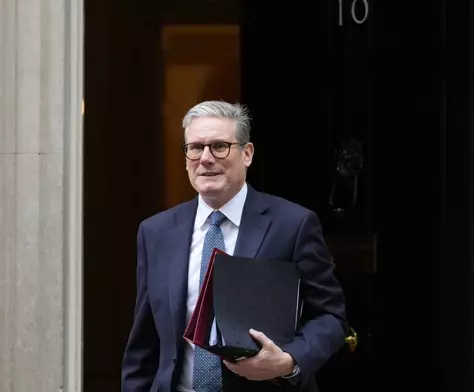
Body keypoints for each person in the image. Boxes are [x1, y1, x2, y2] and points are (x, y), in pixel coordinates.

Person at [120, 100, 348, 392]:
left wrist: (289, 361)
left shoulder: (293, 225)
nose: (205, 158)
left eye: (219, 146)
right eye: (195, 147)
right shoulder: (156, 232)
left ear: (247, 153)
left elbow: (330, 316)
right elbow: (144, 341)